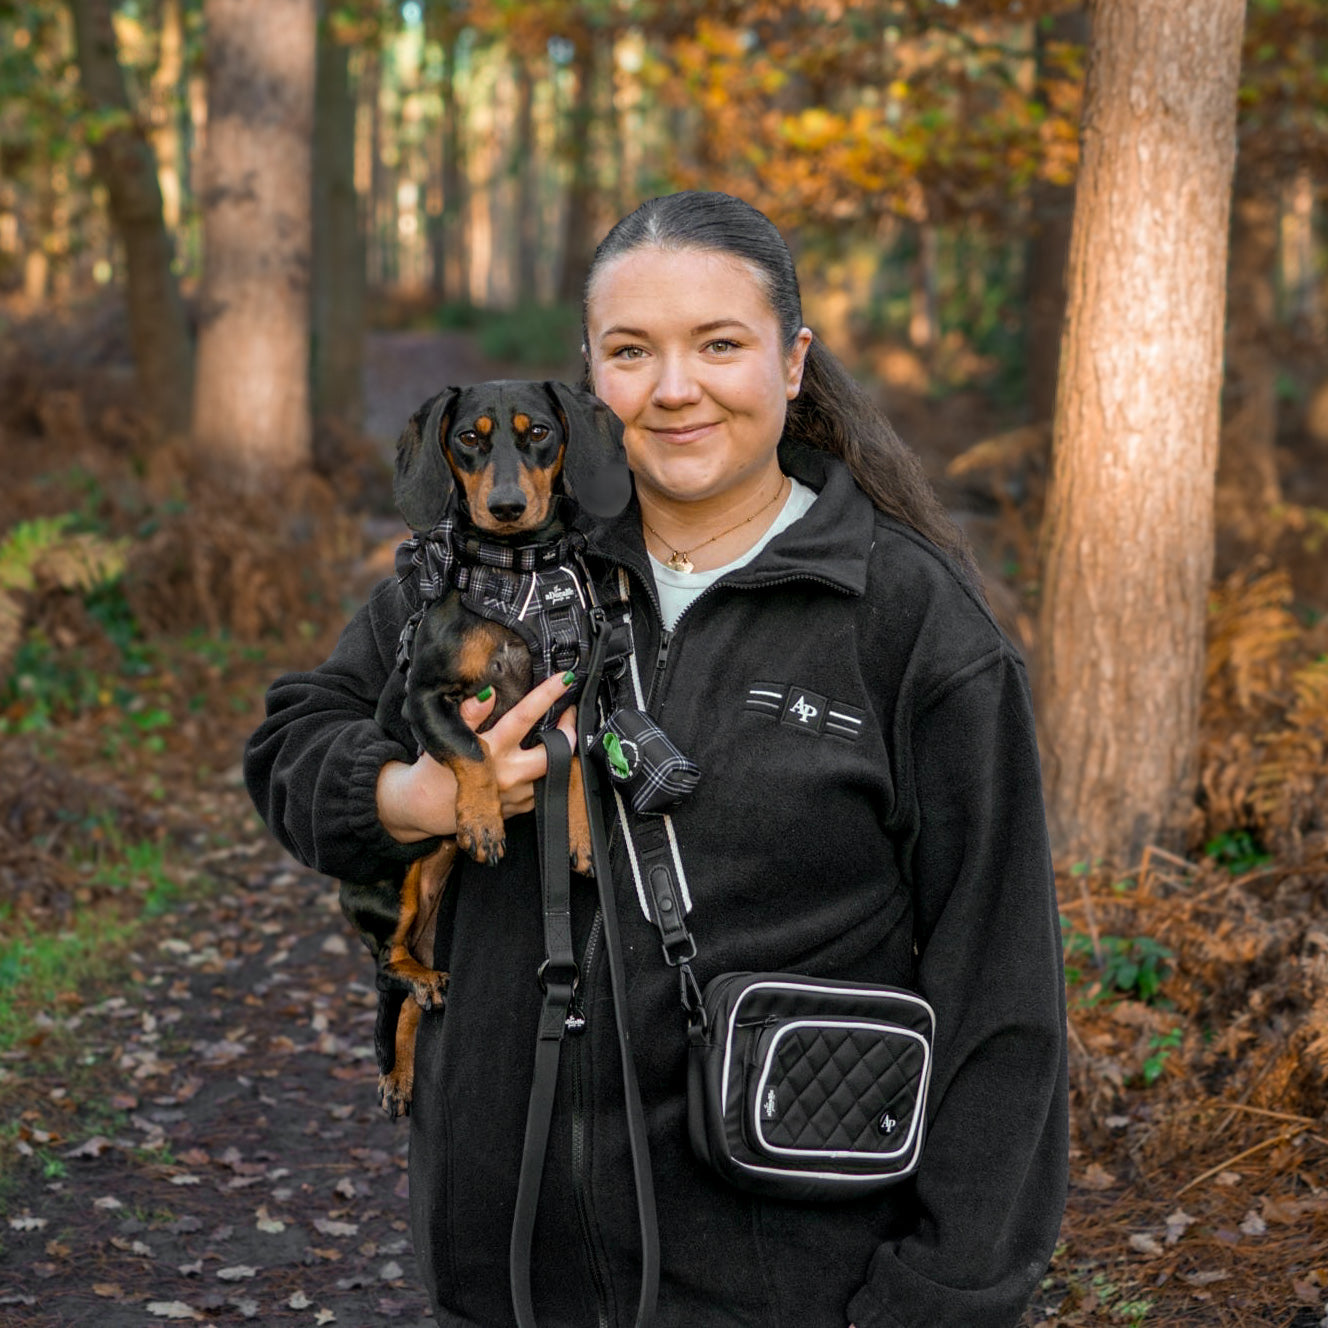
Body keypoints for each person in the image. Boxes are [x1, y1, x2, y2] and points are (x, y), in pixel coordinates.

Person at [245, 190, 1068, 1328]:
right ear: (590, 381)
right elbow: (292, 741)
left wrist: (939, 1297)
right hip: (501, 1263)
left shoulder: (906, 623)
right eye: (631, 352)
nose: (673, 388)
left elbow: (1003, 994)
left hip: (785, 1281)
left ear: (791, 363)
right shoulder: (492, 569)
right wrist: (408, 791)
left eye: (719, 345)